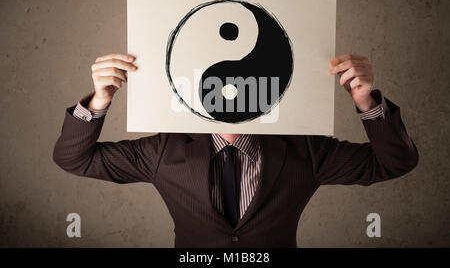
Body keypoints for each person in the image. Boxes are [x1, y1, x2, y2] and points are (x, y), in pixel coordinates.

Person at [53, 53, 418, 247]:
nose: (230, 93)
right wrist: (100, 99)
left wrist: (365, 100)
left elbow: (393, 163)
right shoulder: (165, 149)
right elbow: (74, 158)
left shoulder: (304, 150)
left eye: (244, 82)